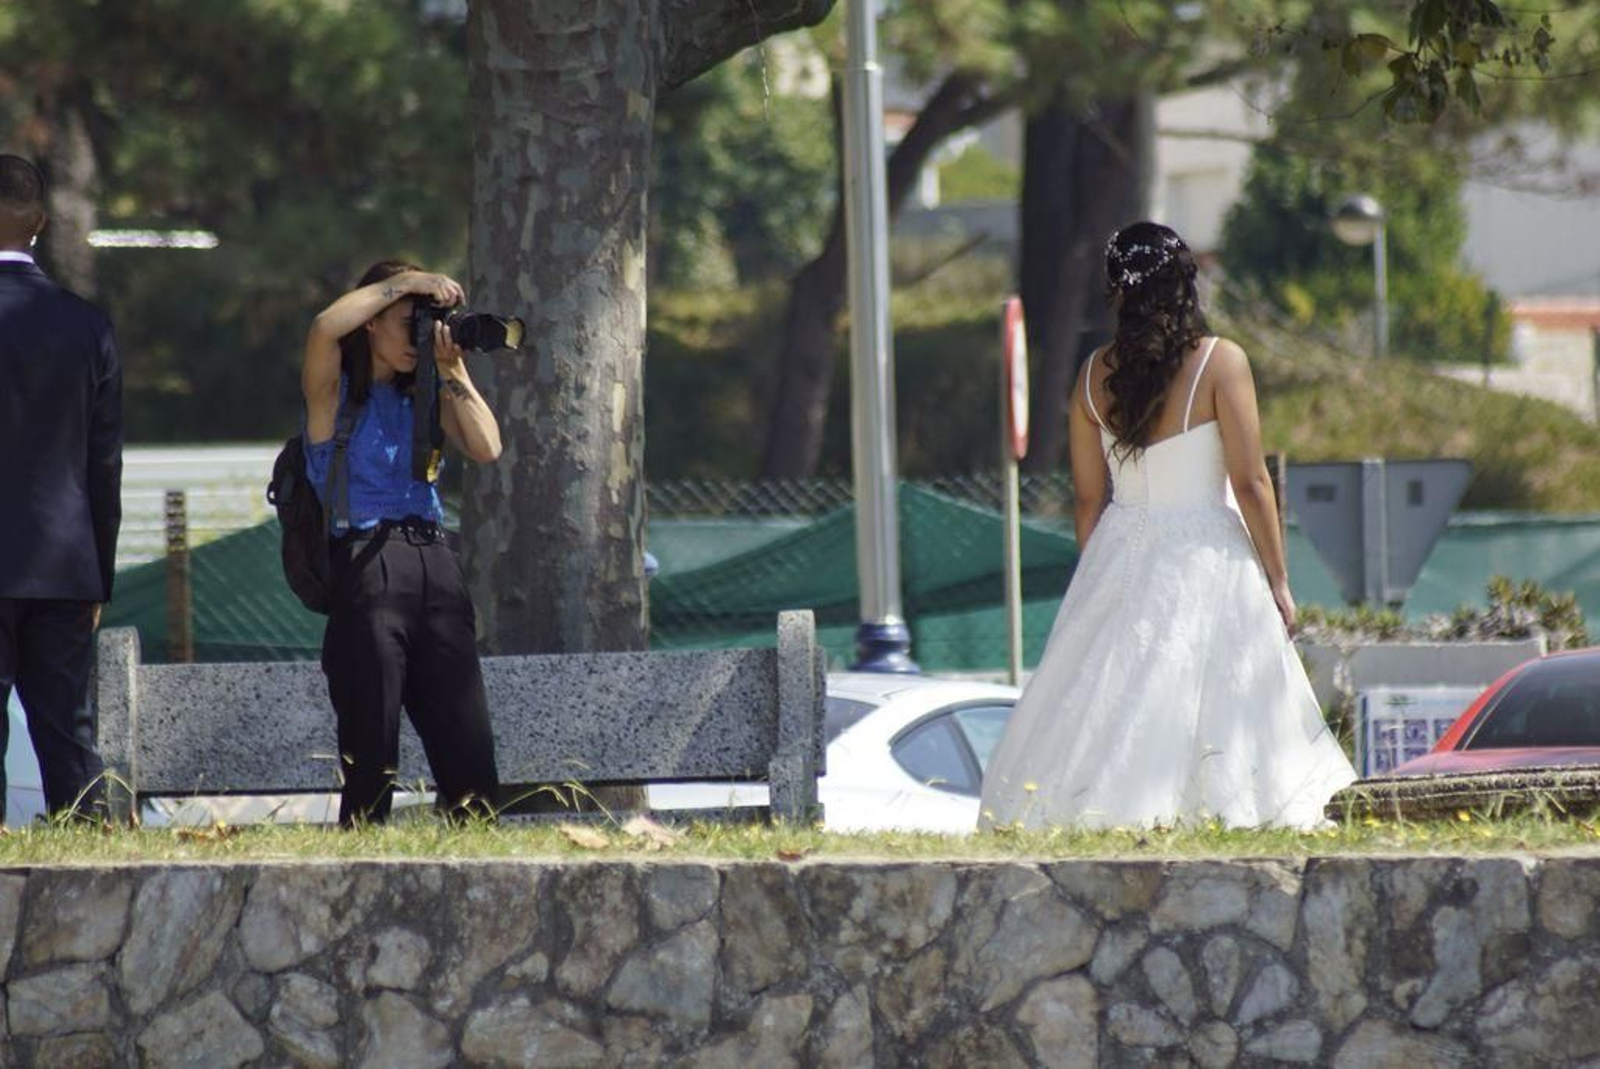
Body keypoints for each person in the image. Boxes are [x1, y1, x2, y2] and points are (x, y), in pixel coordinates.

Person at [980, 222, 1355, 830]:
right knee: (1218, 697)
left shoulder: (1090, 377)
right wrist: (1279, 578)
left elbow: (1086, 498)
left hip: (1120, 543)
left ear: (1118, 290)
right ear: (1186, 284)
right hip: (1206, 542)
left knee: (1113, 699)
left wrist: (1100, 569)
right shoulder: (1221, 362)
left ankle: (1090, 815)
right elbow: (1251, 480)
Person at [302, 260, 502, 825]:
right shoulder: (332, 393)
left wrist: (453, 368)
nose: (418, 335)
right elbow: (323, 327)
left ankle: (475, 868)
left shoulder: (427, 395)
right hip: (367, 566)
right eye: (407, 322)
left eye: (427, 322)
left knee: (469, 758)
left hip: (435, 565)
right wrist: (408, 284)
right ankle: (359, 868)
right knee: (372, 756)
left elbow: (487, 448)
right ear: (370, 320)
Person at [0, 154, 120, 823]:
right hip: (62, 559)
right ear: (41, 222)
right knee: (67, 730)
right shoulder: (88, 325)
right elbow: (104, 462)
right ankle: (89, 861)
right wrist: (97, 571)